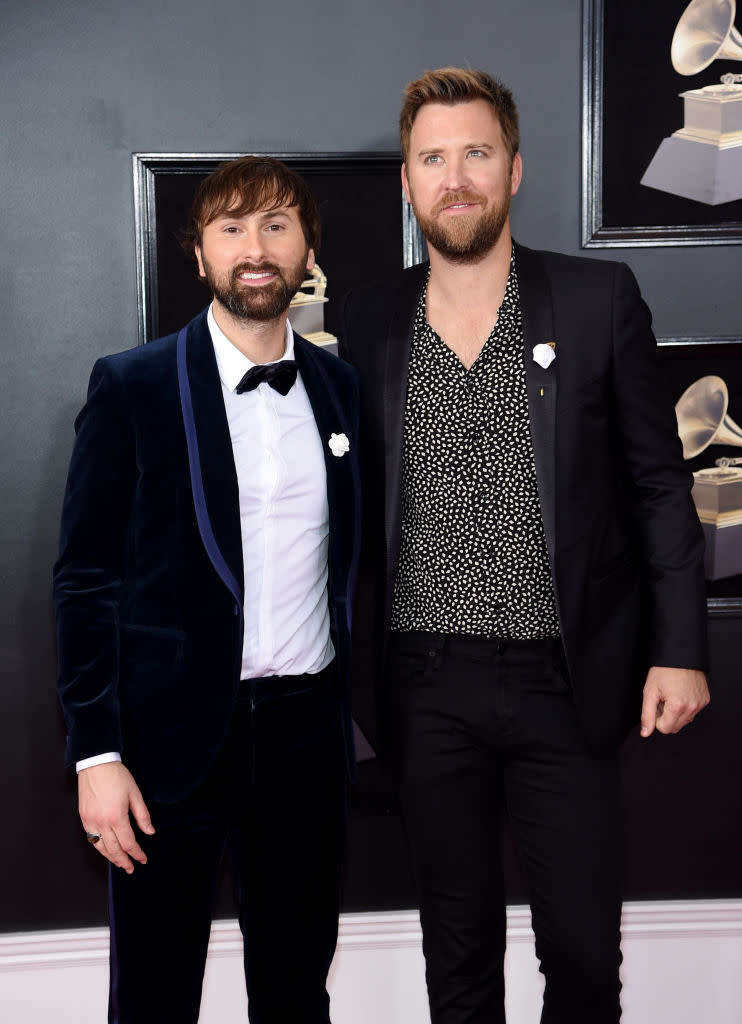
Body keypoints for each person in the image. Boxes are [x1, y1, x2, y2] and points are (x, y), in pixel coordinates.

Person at [339, 67, 709, 1024]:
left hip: (565, 681)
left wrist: (678, 647)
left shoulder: (597, 298)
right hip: (423, 685)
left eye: (475, 153)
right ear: (408, 183)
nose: (454, 177)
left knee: (584, 961)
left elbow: (661, 484)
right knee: (456, 963)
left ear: (515, 169)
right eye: (432, 158)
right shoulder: (372, 320)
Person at [54, 156, 360, 1024]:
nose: (255, 248)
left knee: (297, 993)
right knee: (153, 997)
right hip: (165, 747)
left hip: (305, 736)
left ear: (308, 250)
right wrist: (95, 753)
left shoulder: (339, 390)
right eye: (231, 228)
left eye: (276, 225)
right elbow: (84, 581)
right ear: (199, 254)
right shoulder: (133, 384)